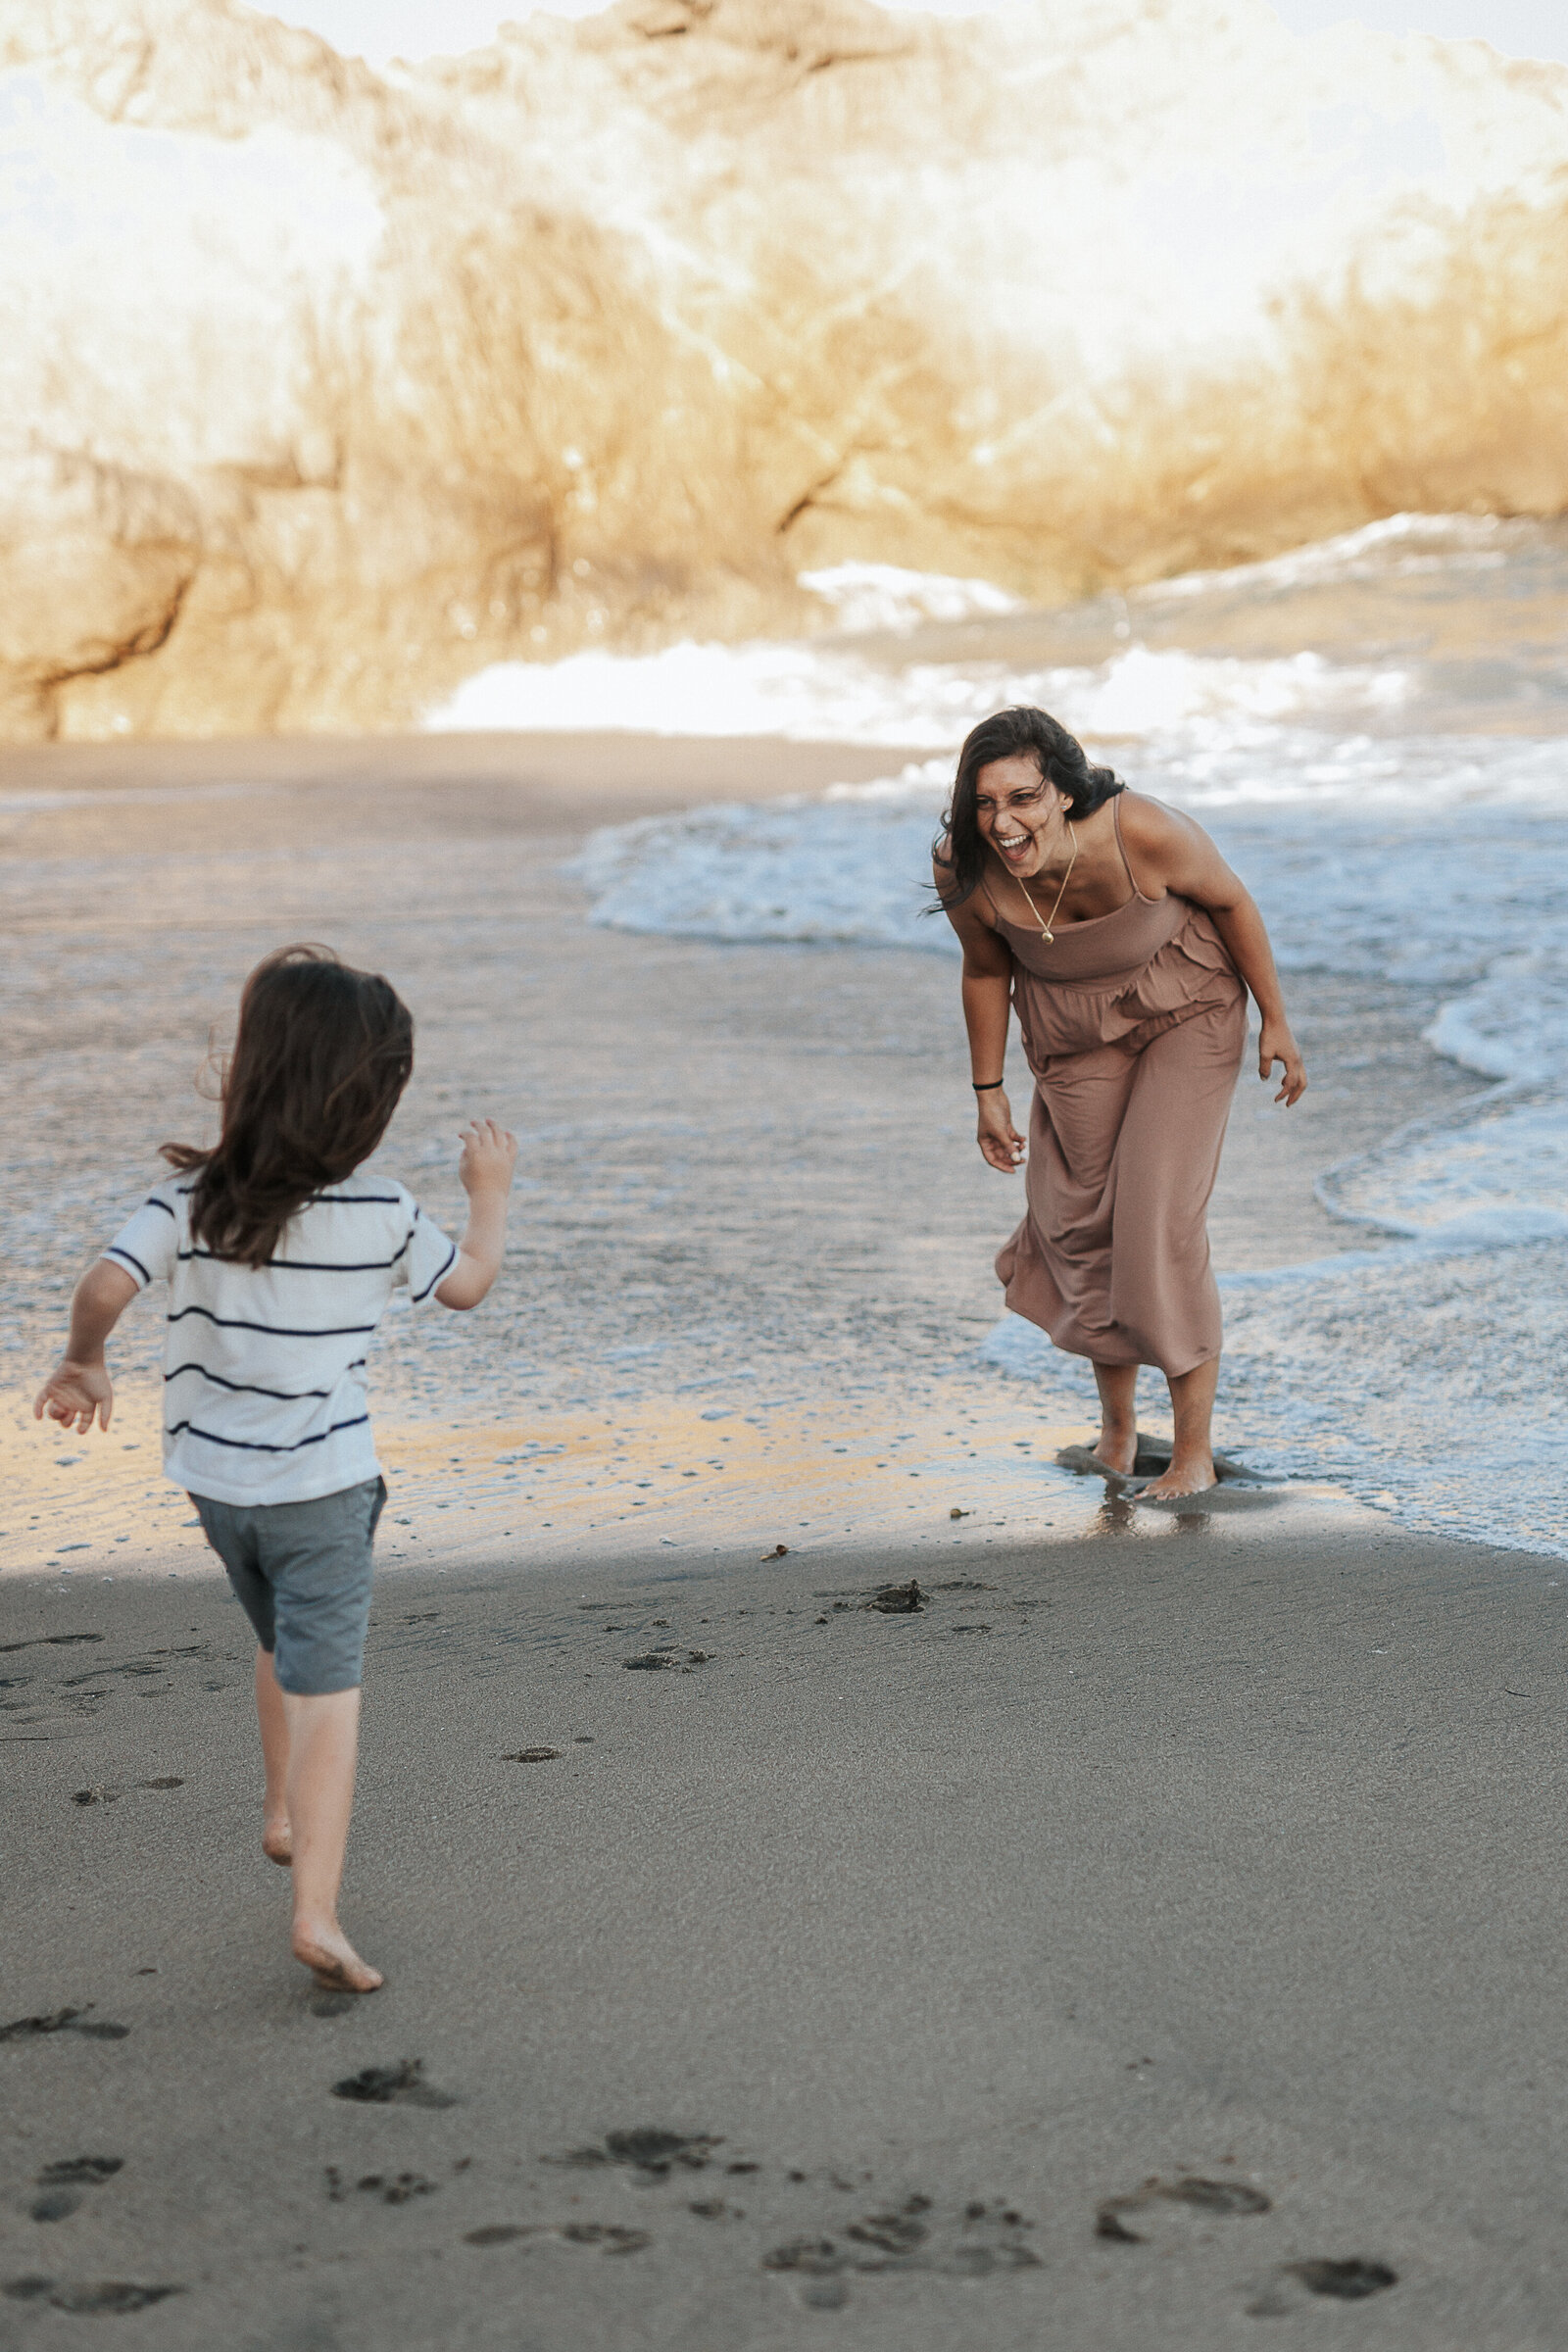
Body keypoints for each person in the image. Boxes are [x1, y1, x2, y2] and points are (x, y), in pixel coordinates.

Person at [33, 945, 517, 1994]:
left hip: (217, 1485)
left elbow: (104, 1285)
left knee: (277, 1636)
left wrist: (83, 1359)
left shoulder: (189, 1202)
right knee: (331, 1693)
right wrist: (489, 1193)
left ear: (256, 1070)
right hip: (324, 1488)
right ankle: (317, 1914)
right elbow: (468, 1287)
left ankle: (279, 1811)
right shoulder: (381, 1210)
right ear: (367, 1100)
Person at [935, 706, 1305, 1500]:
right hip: (1072, 1035)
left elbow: (1233, 902)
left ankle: (1193, 1455)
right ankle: (1117, 1433)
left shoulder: (1144, 833)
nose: (1003, 822)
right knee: (1082, 1222)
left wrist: (1275, 1018)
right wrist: (987, 1091)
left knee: (1156, 1218)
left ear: (1063, 793)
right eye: (985, 802)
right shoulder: (965, 867)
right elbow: (983, 971)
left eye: (1023, 797)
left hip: (1189, 1008)